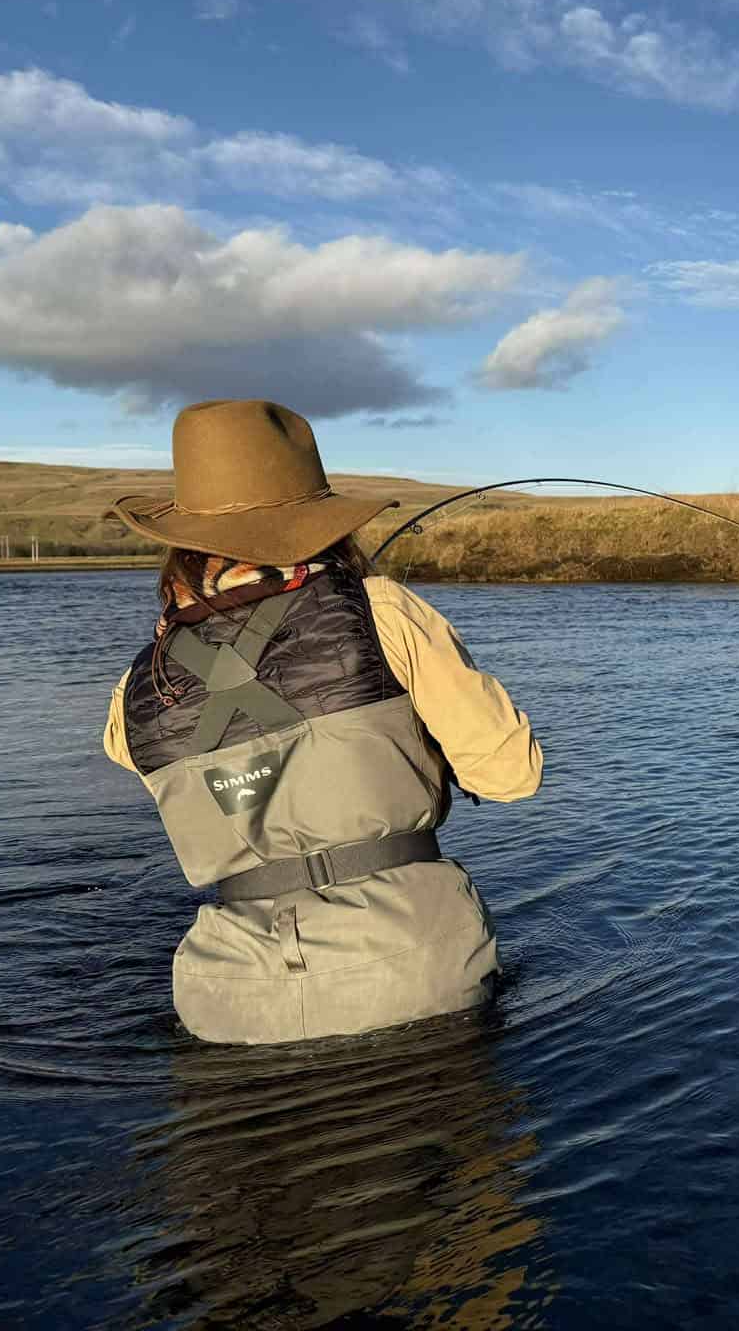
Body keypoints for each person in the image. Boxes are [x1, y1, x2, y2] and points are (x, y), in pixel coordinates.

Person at [101, 399, 542, 1044]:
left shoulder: (137, 684)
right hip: (415, 971)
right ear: (315, 516)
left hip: (227, 1000)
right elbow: (511, 775)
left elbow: (133, 755)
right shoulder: (381, 610)